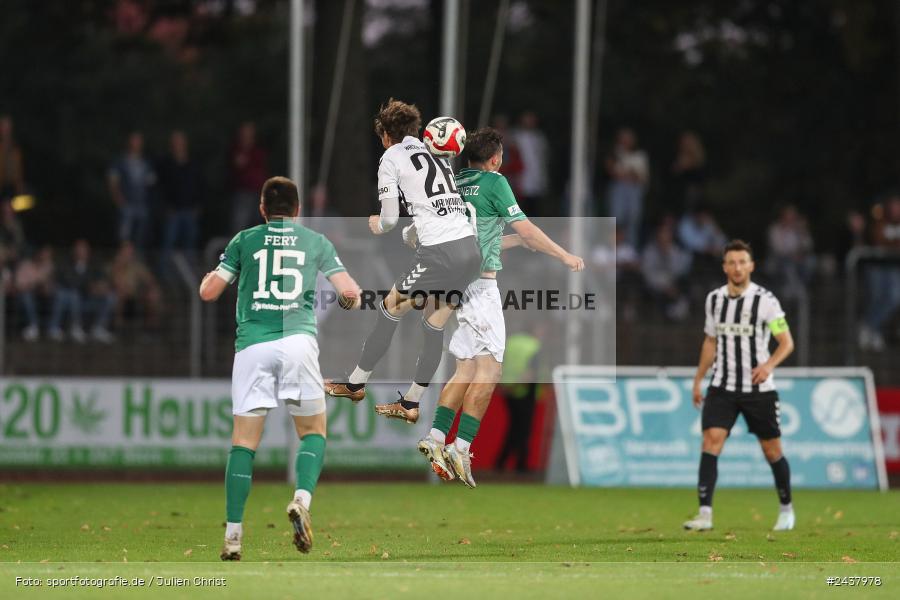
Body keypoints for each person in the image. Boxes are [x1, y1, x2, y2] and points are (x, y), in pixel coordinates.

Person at [198, 176, 361, 561]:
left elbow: (209, 292)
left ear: (262, 209)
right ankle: (301, 499)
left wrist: (210, 276)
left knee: (243, 443)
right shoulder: (315, 242)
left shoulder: (244, 240)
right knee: (313, 432)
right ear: (298, 210)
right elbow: (350, 292)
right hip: (298, 343)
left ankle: (233, 536)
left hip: (253, 346)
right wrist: (351, 302)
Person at [412, 127, 584, 487]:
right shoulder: (495, 182)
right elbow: (527, 226)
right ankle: (461, 447)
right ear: (495, 159)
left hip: (452, 283)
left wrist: (518, 243)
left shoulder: (453, 185)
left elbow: (476, 236)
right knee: (490, 370)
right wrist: (563, 254)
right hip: (480, 286)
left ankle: (436, 438)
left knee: (466, 367)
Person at [325, 99, 482, 424]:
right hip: (469, 249)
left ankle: (356, 384)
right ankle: (411, 403)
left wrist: (378, 225)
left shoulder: (391, 157)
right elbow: (441, 205)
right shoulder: (437, 153)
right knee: (433, 322)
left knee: (389, 308)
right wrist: (415, 231)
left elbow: (389, 219)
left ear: (385, 134)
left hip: (440, 252)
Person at [684, 239, 796, 532]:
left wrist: (769, 365)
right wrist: (698, 380)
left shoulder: (766, 301)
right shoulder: (714, 300)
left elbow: (786, 342)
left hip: (759, 389)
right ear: (724, 267)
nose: (737, 267)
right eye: (731, 262)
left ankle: (786, 508)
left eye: (742, 262)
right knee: (710, 442)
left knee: (771, 450)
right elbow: (710, 341)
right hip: (722, 386)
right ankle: (704, 514)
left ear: (751, 266)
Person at [48, 239, 115, 343]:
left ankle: (98, 328)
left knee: (110, 297)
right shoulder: (66, 264)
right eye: (78, 249)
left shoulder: (94, 264)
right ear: (74, 251)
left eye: (83, 249)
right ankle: (75, 328)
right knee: (73, 294)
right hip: (71, 300)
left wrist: (101, 287)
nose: (81, 252)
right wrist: (88, 286)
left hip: (89, 300)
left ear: (88, 251)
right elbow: (69, 282)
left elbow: (102, 279)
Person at [157, 130, 204, 277]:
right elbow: (161, 187)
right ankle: (165, 277)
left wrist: (198, 205)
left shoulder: (193, 163)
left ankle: (188, 276)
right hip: (173, 211)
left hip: (190, 210)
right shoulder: (166, 164)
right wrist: (165, 206)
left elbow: (199, 184)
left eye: (180, 141)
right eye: (175, 142)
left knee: (189, 247)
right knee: (168, 244)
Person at [859, 195, 900, 351]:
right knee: (876, 298)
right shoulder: (879, 218)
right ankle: (872, 330)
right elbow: (877, 239)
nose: (896, 209)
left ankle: (869, 327)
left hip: (894, 267)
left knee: (894, 298)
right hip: (876, 266)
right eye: (894, 205)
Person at [108, 131, 157, 248]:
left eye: (138, 141)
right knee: (124, 237)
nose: (136, 144)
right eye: (134, 141)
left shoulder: (146, 163)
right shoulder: (120, 161)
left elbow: (151, 183)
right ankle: (123, 259)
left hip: (142, 205)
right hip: (127, 204)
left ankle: (137, 260)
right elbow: (112, 182)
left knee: (141, 236)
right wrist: (119, 200)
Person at [605, 128, 649, 248]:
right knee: (615, 221)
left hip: (634, 193)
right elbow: (613, 172)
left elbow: (641, 178)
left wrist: (627, 173)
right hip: (618, 192)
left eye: (627, 139)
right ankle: (612, 249)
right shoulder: (615, 154)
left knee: (632, 224)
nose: (624, 142)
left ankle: (630, 250)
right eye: (622, 139)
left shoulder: (640, 156)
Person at [642, 221, 692, 321]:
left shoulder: (674, 250)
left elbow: (678, 271)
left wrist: (667, 254)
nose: (664, 237)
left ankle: (679, 314)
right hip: (656, 285)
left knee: (685, 287)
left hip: (673, 283)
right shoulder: (649, 251)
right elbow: (647, 274)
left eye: (667, 235)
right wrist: (663, 286)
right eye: (662, 234)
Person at [110, 240, 161, 331]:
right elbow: (116, 282)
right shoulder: (115, 265)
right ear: (121, 252)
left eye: (130, 252)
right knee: (120, 293)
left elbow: (149, 278)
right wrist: (120, 265)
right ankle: (118, 327)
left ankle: (151, 328)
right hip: (122, 295)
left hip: (135, 295)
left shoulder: (136, 265)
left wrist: (152, 287)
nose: (129, 254)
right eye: (126, 251)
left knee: (153, 295)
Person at [228, 122, 269, 233]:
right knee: (240, 224)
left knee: (256, 223)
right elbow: (237, 164)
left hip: (258, 192)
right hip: (243, 193)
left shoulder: (257, 151)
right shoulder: (236, 150)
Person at [511, 111, 549, 217]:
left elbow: (543, 159)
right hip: (521, 178)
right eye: (527, 119)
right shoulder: (516, 136)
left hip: (536, 179)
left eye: (532, 120)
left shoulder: (539, 137)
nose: (530, 122)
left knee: (535, 208)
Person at [15, 246, 54, 342]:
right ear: (37, 255)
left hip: (43, 297)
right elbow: (19, 286)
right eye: (43, 255)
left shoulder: (48, 266)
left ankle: (53, 328)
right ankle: (34, 326)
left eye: (47, 256)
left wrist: (44, 288)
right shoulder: (25, 265)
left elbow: (50, 285)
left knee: (58, 296)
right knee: (27, 296)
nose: (44, 258)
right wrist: (33, 285)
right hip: (24, 296)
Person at [0, 115, 25, 201]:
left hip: (12, 189)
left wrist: (19, 188)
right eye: (3, 126)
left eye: (8, 126)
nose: (6, 130)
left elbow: (18, 172)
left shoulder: (16, 148)